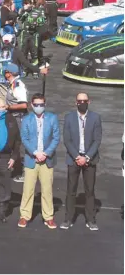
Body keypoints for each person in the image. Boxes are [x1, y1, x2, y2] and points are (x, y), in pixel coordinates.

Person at [61, 93, 102, 231]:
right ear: (75, 102)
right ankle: (68, 219)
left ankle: (91, 220)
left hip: (90, 159)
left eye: (84, 101)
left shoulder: (96, 118)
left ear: (89, 102)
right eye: (79, 101)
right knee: (71, 190)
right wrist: (77, 156)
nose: (82, 103)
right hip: (74, 158)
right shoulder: (69, 118)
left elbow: (97, 140)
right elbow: (67, 140)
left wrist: (87, 157)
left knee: (89, 190)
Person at [18, 93, 60, 230]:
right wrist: (35, 153)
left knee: (47, 190)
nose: (39, 107)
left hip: (47, 160)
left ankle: (48, 217)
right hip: (31, 159)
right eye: (36, 105)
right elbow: (24, 138)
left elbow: (56, 138)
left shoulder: (52, 118)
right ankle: (24, 215)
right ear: (31, 105)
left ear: (45, 105)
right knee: (28, 189)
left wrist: (46, 153)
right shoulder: (26, 119)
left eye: (41, 105)